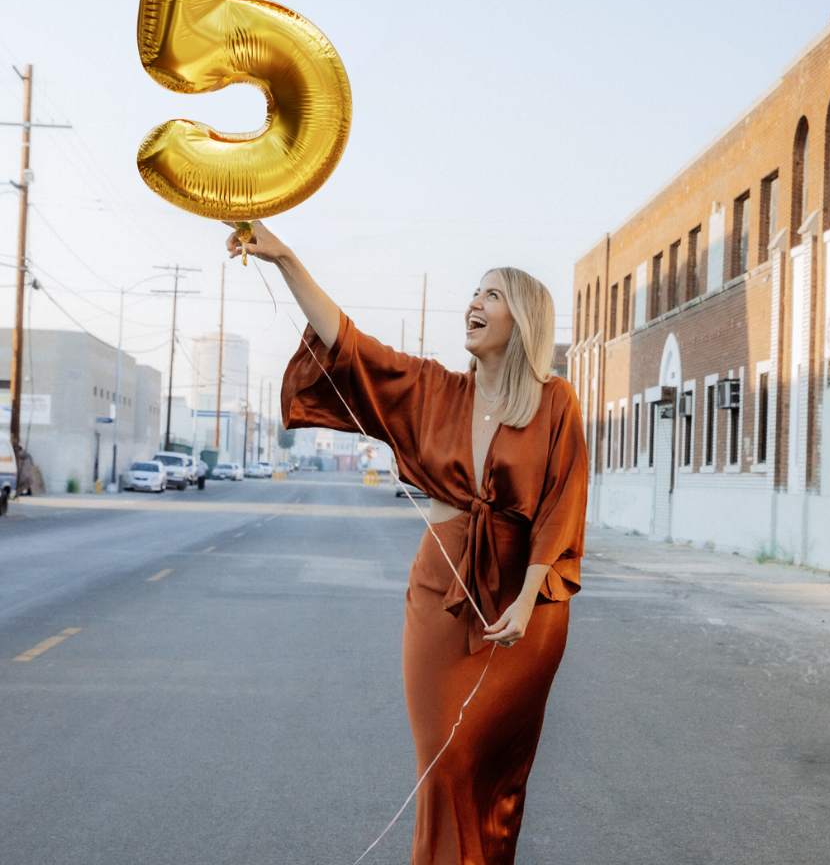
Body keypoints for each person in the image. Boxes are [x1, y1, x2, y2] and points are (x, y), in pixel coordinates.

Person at [226, 221, 588, 865]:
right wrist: (283, 256)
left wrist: (531, 597)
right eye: (474, 292)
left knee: (494, 775)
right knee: (446, 763)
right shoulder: (434, 391)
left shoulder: (555, 401)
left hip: (527, 602)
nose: (474, 303)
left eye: (492, 295)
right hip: (440, 591)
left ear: (525, 317)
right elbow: (350, 346)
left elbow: (562, 504)